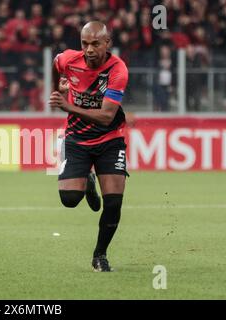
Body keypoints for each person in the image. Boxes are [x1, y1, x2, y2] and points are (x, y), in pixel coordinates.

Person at [49, 21, 129, 272]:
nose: (90, 50)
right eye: (85, 43)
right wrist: (58, 87)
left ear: (108, 43)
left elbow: (106, 116)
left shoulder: (118, 70)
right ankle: (88, 183)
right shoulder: (70, 60)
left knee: (114, 203)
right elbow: (56, 63)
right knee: (70, 199)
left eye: (96, 43)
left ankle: (100, 255)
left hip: (110, 139)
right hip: (77, 139)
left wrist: (67, 105)